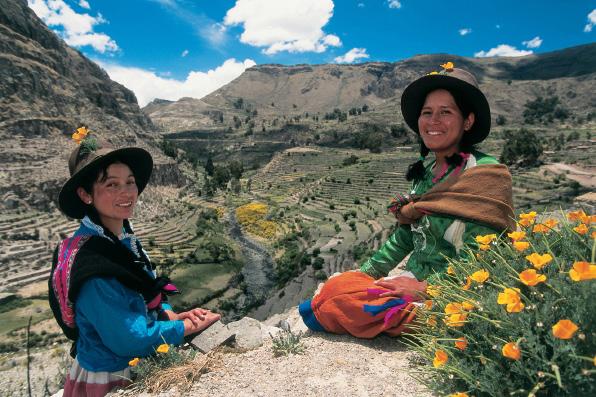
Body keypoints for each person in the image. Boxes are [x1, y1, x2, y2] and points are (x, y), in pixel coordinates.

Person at [299, 63, 515, 338]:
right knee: (337, 286)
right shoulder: (425, 174)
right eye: (427, 113)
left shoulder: (485, 174)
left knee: (353, 303)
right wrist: (367, 273)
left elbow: (485, 259)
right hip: (412, 282)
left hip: (457, 290)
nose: (433, 121)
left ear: (468, 121)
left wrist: (426, 288)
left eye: (446, 112)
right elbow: (405, 236)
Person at [49, 128, 220, 397]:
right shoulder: (94, 267)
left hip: (131, 361)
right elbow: (129, 339)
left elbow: (144, 291)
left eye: (130, 182)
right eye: (111, 185)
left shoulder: (121, 239)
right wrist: (185, 327)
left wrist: (169, 314)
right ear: (85, 195)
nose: (127, 192)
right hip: (111, 376)